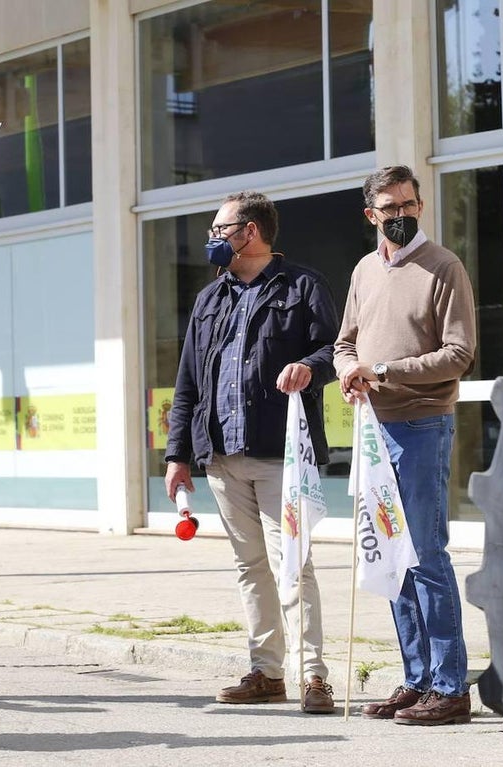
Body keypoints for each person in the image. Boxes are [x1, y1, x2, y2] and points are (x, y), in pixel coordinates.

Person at [164, 191, 339, 715]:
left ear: (251, 232)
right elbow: (188, 382)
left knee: (293, 564)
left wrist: (310, 366)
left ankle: (314, 677)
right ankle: (266, 672)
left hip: (279, 452)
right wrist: (178, 455)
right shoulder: (209, 299)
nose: (213, 239)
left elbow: (337, 348)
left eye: (220, 229)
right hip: (220, 456)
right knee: (250, 567)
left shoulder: (302, 286)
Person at [335, 165, 477, 726]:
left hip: (420, 425)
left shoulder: (443, 267)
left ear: (420, 206)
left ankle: (449, 686)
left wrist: (385, 370)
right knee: (392, 558)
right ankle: (416, 680)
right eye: (389, 208)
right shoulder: (365, 270)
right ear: (371, 215)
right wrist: (350, 371)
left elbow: (459, 353)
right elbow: (345, 342)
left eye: (409, 205)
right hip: (373, 429)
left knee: (425, 557)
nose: (401, 215)